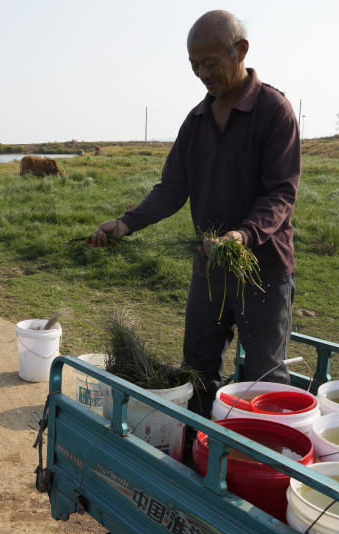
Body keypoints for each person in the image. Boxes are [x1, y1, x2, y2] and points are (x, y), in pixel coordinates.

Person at [89, 10, 301, 418]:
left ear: (240, 51)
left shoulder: (274, 111)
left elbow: (281, 193)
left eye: (209, 62)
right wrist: (126, 223)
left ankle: (259, 469)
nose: (202, 73)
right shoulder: (197, 121)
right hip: (209, 271)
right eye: (194, 65)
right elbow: (172, 189)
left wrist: (241, 236)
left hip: (265, 272)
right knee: (197, 372)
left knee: (264, 379)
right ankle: (200, 454)